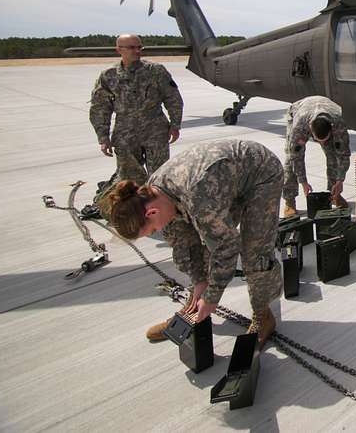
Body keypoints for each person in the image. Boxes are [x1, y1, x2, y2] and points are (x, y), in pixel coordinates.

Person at [107, 138, 283, 347]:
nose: (158, 230)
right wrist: (199, 282)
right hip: (223, 180)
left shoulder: (199, 197)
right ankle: (192, 308)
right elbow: (184, 244)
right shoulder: (155, 192)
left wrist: (211, 297)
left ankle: (263, 316)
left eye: (152, 229)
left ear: (151, 212)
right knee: (201, 244)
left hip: (260, 174)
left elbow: (226, 246)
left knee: (255, 251)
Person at [89, 34, 183, 189]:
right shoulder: (109, 75)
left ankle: (160, 210)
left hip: (156, 131)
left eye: (139, 47)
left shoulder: (155, 71)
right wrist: (103, 137)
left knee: (159, 177)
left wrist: (175, 125)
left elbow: (173, 98)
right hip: (125, 134)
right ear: (119, 49)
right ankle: (135, 210)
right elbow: (100, 108)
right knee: (129, 180)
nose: (137, 51)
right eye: (132, 47)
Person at [282, 95, 351, 217]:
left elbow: (344, 154)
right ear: (310, 131)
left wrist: (340, 180)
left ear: (331, 130)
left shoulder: (338, 124)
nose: (322, 143)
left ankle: (334, 194)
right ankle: (289, 200)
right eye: (319, 140)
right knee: (289, 159)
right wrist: (303, 182)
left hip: (327, 109)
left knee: (333, 155)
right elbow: (296, 157)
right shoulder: (300, 126)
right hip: (299, 111)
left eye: (325, 140)